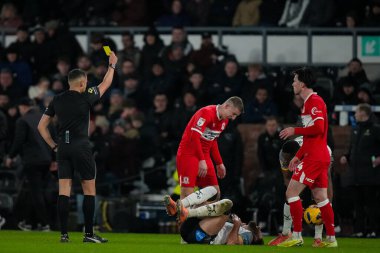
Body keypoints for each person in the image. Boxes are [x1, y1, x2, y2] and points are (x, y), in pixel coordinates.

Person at [38, 51, 118, 243]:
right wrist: (112, 65)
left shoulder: (56, 99)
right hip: (81, 147)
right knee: (88, 189)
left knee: (63, 190)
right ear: (82, 83)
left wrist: (53, 146)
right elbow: (106, 84)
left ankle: (64, 235)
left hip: (62, 148)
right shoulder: (86, 96)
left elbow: (41, 126)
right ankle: (89, 234)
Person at [278, 67, 337, 247]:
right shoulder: (310, 102)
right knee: (321, 197)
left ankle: (297, 236)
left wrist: (294, 130)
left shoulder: (314, 101)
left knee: (292, 192)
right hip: (318, 154)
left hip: (315, 157)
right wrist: (298, 156)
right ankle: (331, 239)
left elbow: (318, 129)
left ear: (302, 84)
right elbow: (313, 137)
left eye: (295, 80)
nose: (293, 83)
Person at [174, 96, 244, 202]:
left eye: (236, 116)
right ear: (227, 106)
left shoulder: (224, 121)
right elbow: (194, 138)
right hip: (188, 153)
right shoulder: (206, 113)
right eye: (233, 114)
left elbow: (213, 141)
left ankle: (198, 214)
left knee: (215, 194)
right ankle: (183, 211)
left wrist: (219, 163)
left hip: (204, 155)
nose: (233, 118)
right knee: (187, 195)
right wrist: (201, 160)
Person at [268, 136, 334, 246]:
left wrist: (328, 204)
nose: (287, 161)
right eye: (286, 159)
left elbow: (328, 181)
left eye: (290, 159)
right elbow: (287, 178)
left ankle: (318, 238)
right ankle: (286, 234)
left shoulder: (317, 153)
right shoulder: (283, 155)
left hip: (319, 157)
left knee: (319, 196)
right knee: (289, 195)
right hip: (305, 156)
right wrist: (295, 199)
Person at [5, 97, 52, 231]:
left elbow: (19, 141)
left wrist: (10, 156)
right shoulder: (45, 118)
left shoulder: (23, 120)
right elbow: (53, 137)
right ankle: (31, 222)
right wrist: (54, 159)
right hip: (47, 160)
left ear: (23, 107)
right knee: (35, 192)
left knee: (36, 193)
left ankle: (44, 223)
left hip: (32, 161)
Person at [164, 188, 263, 245]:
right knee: (214, 191)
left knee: (228, 205)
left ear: (257, 238)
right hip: (191, 228)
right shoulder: (239, 228)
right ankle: (179, 206)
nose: (259, 228)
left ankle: (186, 212)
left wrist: (236, 225)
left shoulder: (249, 236)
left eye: (260, 233)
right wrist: (234, 223)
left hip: (200, 237)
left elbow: (231, 243)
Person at [339, 103, 380, 238]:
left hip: (370, 174)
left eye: (357, 112)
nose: (355, 114)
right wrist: (346, 157)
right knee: (358, 205)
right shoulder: (355, 130)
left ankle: (374, 231)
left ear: (363, 114)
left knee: (371, 204)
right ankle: (359, 230)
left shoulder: (375, 129)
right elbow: (352, 149)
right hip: (355, 174)